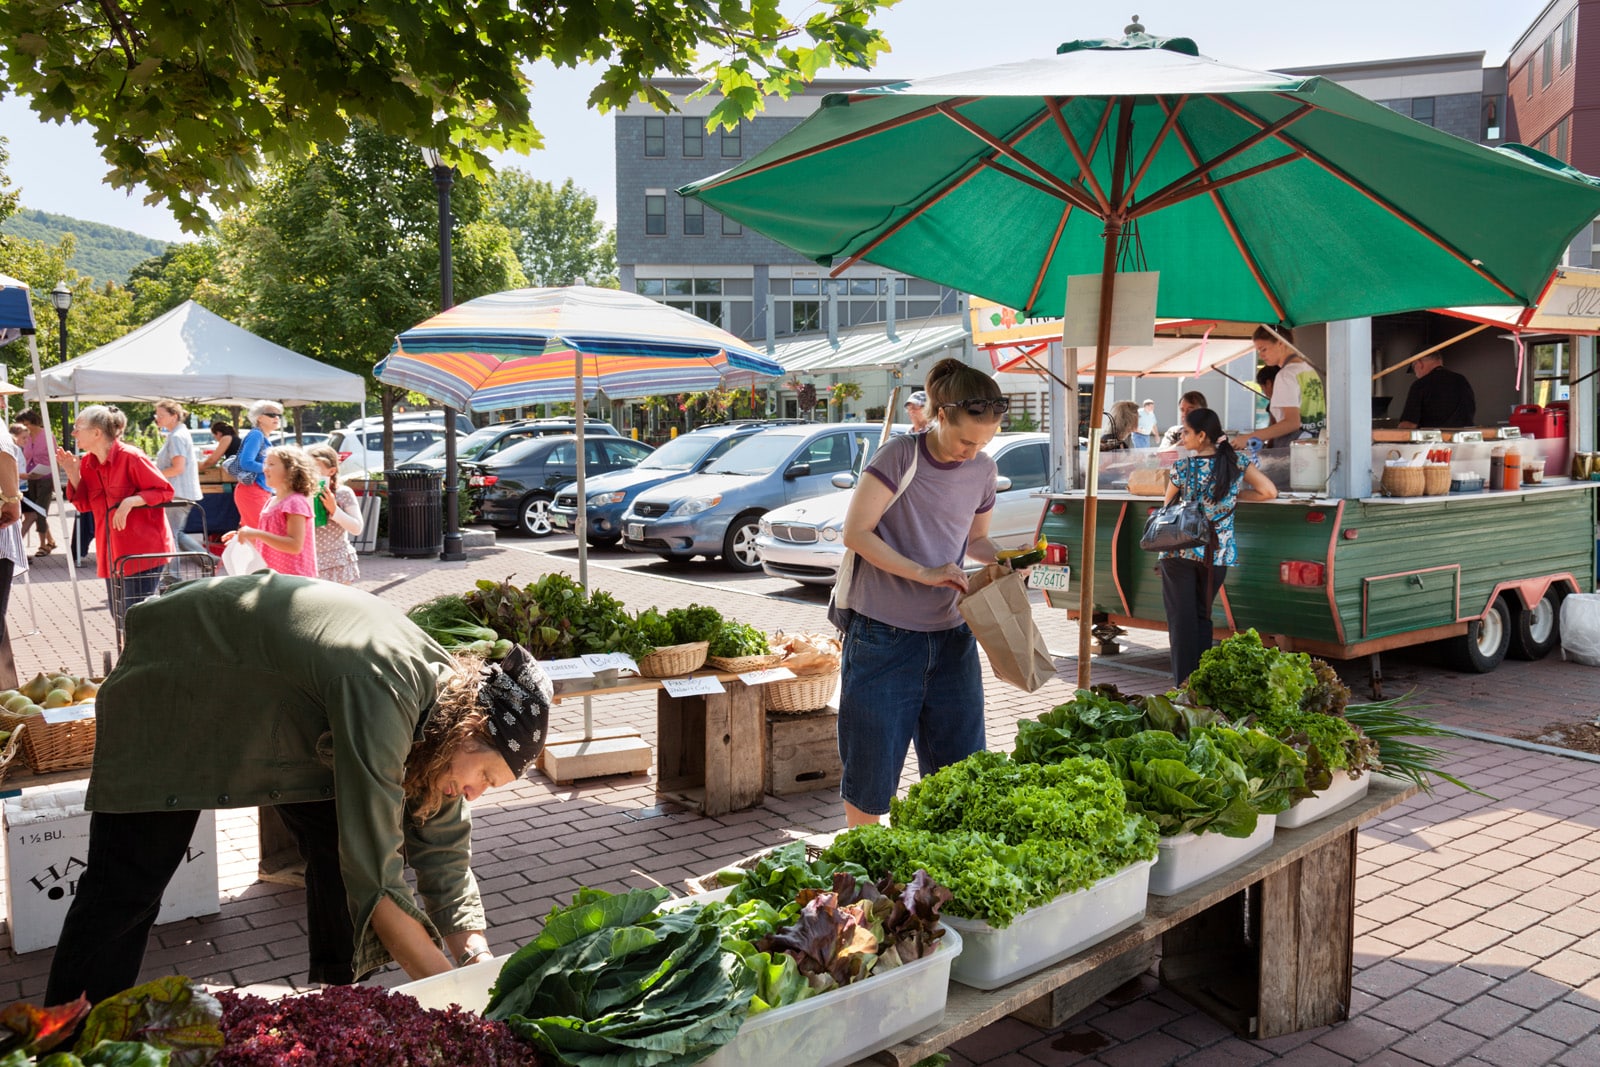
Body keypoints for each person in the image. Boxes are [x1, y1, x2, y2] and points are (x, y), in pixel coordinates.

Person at [44, 573, 552, 1007]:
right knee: (127, 886)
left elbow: (443, 853)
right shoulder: (386, 691)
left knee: (336, 848)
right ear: (473, 728)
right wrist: (458, 999)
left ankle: (344, 1005)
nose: (476, 792)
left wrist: (475, 957)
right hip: (177, 674)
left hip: (276, 703)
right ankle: (67, 1038)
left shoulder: (447, 721)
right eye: (484, 777)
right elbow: (375, 876)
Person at [835, 357, 1006, 828]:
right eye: (965, 439)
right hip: (883, 638)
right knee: (872, 777)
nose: (972, 452)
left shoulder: (983, 470)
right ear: (941, 415)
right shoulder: (898, 456)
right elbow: (857, 533)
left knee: (962, 776)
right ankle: (864, 880)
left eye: (984, 442)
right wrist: (923, 572)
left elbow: (975, 541)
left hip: (953, 637)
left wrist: (1010, 558)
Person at [1160, 407, 1278, 685]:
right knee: (1202, 618)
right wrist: (1232, 498)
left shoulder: (1183, 467)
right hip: (1217, 554)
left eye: (1186, 432)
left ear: (1202, 435)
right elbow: (1269, 491)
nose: (1182, 436)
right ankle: (1201, 685)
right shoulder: (1237, 462)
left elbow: (1168, 507)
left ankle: (1183, 687)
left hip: (1180, 551)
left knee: (1181, 623)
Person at [54, 405, 174, 624]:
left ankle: (140, 657)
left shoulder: (131, 457)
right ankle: (132, 656)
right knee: (119, 615)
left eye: (77, 427)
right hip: (113, 551)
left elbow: (164, 491)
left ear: (97, 432)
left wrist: (132, 500)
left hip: (143, 551)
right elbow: (84, 505)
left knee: (136, 615)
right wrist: (72, 473)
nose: (73, 433)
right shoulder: (89, 464)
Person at [225, 445, 317, 577]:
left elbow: (295, 545)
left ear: (291, 470)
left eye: (272, 464)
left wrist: (256, 533)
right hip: (274, 576)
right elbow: (270, 539)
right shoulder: (271, 502)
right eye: (265, 463)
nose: (265, 468)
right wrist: (244, 537)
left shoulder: (295, 502)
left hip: (293, 578)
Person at [1231, 325, 1323, 449]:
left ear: (1280, 343)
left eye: (1263, 349)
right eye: (1259, 351)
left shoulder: (1286, 375)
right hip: (1316, 444)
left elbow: (1292, 422)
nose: (1261, 355)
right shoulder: (1309, 370)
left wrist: (1249, 437)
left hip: (1296, 448)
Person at [152, 399, 207, 557]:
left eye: (161, 415)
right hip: (179, 492)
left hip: (177, 493)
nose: (157, 418)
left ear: (174, 416)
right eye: (157, 414)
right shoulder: (177, 434)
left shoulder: (176, 436)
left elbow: (178, 468)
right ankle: (208, 560)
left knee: (171, 534)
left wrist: (153, 474)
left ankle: (174, 575)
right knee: (175, 532)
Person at [307, 444, 363, 584]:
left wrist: (334, 510)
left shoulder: (343, 493)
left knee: (341, 604)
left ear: (331, 471)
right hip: (309, 561)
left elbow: (357, 528)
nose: (309, 473)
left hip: (337, 561)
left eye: (314, 468)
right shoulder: (301, 495)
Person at [233, 401, 282, 529]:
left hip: (258, 489)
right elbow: (246, 463)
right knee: (260, 533)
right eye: (271, 414)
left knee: (255, 534)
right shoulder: (256, 435)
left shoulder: (261, 436)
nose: (276, 418)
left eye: (278, 415)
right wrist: (271, 469)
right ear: (259, 418)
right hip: (252, 490)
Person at [16, 409, 57, 557]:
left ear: (34, 422)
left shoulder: (47, 436)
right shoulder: (25, 437)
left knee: (40, 511)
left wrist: (55, 481)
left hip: (45, 477)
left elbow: (55, 457)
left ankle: (43, 545)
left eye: (26, 424)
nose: (24, 427)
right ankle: (50, 540)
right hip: (30, 478)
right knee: (36, 511)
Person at [1398, 352, 1476, 428]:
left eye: (1413, 369)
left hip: (1433, 439)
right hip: (1465, 438)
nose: (1416, 374)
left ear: (1419, 363)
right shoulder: (1462, 380)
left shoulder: (1421, 384)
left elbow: (1408, 425)